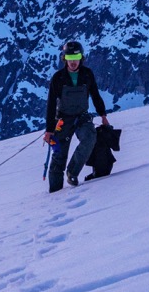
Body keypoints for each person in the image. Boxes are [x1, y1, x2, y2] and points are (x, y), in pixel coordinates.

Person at [44, 39, 109, 192]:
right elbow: (51, 104)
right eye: (70, 58)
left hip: (81, 117)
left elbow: (95, 95)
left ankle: (72, 172)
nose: (73, 62)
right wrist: (49, 130)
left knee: (90, 137)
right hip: (62, 120)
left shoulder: (87, 74)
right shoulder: (58, 78)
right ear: (64, 59)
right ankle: (55, 193)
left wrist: (103, 115)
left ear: (81, 58)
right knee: (59, 155)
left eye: (76, 58)